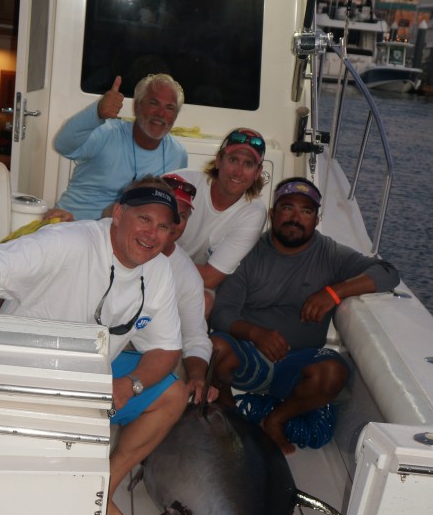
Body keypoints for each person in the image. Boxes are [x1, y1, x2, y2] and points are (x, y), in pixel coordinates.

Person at [0, 177, 189, 515]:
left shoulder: (158, 271)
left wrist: (131, 384)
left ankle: (101, 493)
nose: (152, 234)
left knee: (172, 394)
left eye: (163, 227)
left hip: (87, 379)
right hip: (22, 375)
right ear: (118, 214)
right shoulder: (69, 240)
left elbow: (167, 349)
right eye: (144, 219)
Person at [209, 177, 400, 454]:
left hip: (297, 365)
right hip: (250, 357)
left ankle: (275, 420)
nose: (296, 218)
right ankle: (229, 420)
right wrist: (256, 334)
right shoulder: (248, 251)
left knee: (333, 370)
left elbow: (388, 272)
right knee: (214, 348)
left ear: (316, 219)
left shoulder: (330, 253)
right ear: (273, 213)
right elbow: (222, 313)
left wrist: (334, 292)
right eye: (287, 207)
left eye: (306, 211)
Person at [47, 73, 188, 221]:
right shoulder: (108, 133)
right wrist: (97, 112)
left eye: (170, 107)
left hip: (125, 232)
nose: (161, 113)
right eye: (154, 103)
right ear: (137, 106)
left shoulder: (177, 155)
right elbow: (63, 145)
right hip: (72, 223)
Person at [174, 128, 268, 315]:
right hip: (150, 264)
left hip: (192, 280)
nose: (238, 172)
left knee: (205, 301)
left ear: (258, 172)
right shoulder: (183, 183)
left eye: (248, 164)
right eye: (233, 160)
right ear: (218, 160)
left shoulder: (253, 212)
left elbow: (210, 279)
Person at [161, 173, 218, 404]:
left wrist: (197, 377)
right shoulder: (107, 240)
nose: (174, 221)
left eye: (182, 216)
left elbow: (194, 337)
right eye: (168, 211)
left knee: (177, 392)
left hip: (152, 352)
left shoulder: (187, 273)